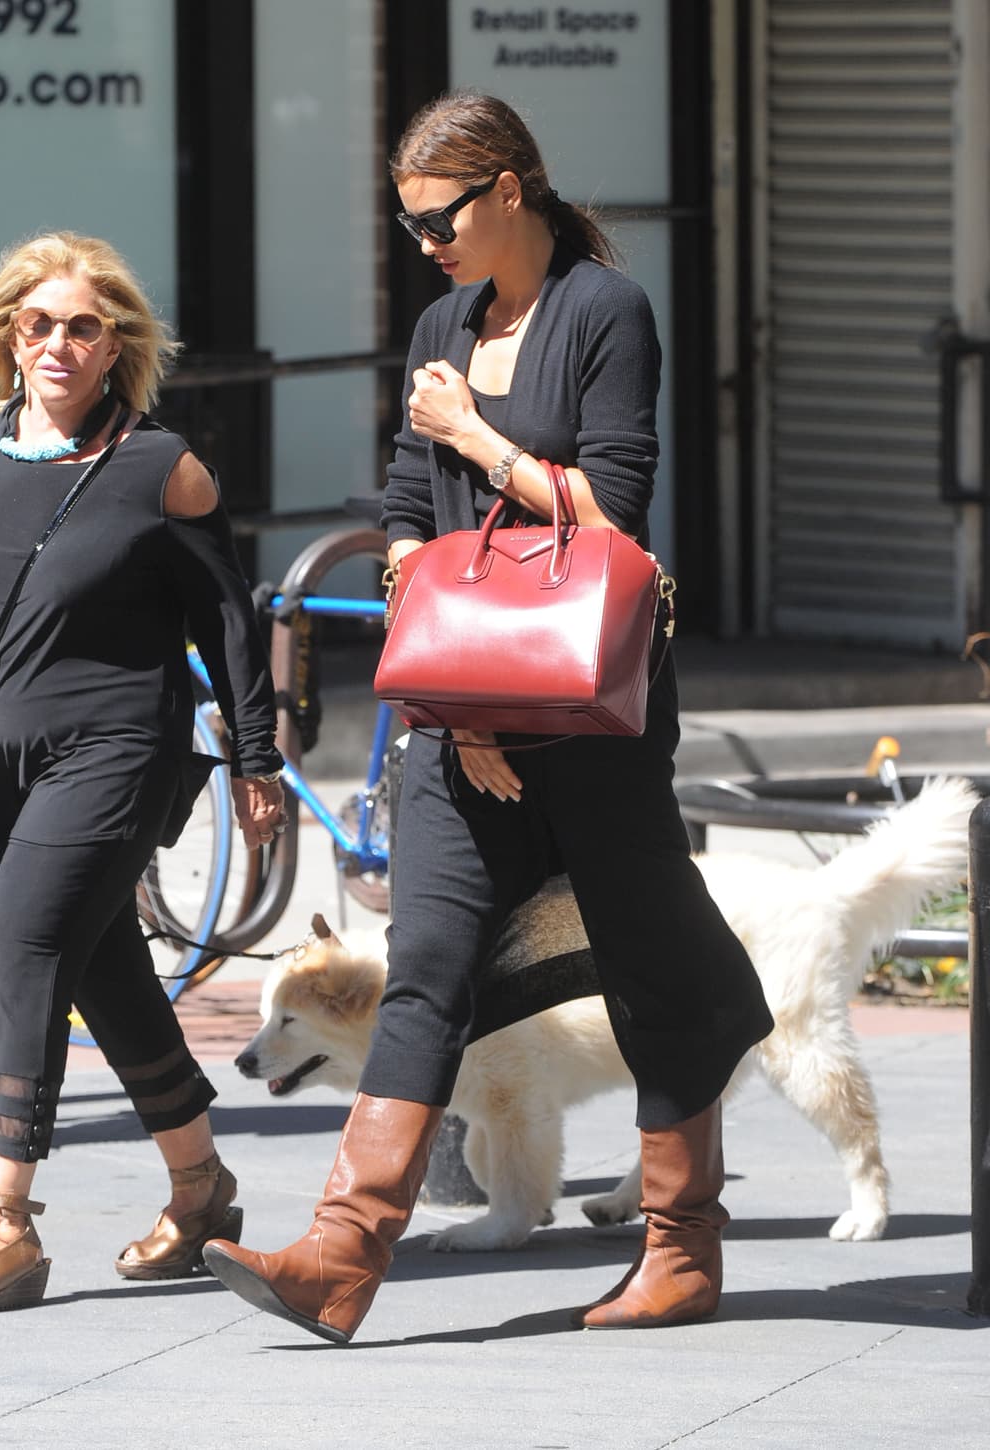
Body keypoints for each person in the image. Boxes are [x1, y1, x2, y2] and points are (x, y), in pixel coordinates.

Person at [204, 91, 774, 1342]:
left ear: (508, 188)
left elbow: (613, 513)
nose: (424, 246)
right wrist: (426, 595)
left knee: (651, 971)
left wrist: (473, 431)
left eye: (437, 219)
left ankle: (681, 1252)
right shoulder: (438, 322)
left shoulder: (603, 313)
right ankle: (340, 1255)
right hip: (462, 720)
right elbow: (412, 498)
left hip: (593, 715)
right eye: (405, 225)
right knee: (423, 972)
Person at [0, 232, 287, 1314]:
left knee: (22, 936)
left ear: (118, 346)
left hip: (118, 748)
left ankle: (5, 1221)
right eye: (36, 323)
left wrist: (257, 761)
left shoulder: (163, 468)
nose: (57, 344)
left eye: (82, 327)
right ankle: (201, 1187)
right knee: (103, 968)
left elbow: (230, 626)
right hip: (3, 757)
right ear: (7, 334)